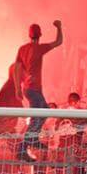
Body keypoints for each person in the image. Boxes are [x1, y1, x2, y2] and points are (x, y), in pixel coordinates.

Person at [13, 20, 63, 162]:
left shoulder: (22, 49)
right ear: (39, 35)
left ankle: (33, 139)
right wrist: (59, 27)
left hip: (28, 88)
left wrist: (18, 88)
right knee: (38, 116)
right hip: (34, 88)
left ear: (29, 35)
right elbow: (59, 41)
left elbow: (16, 69)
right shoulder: (39, 48)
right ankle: (23, 149)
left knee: (43, 111)